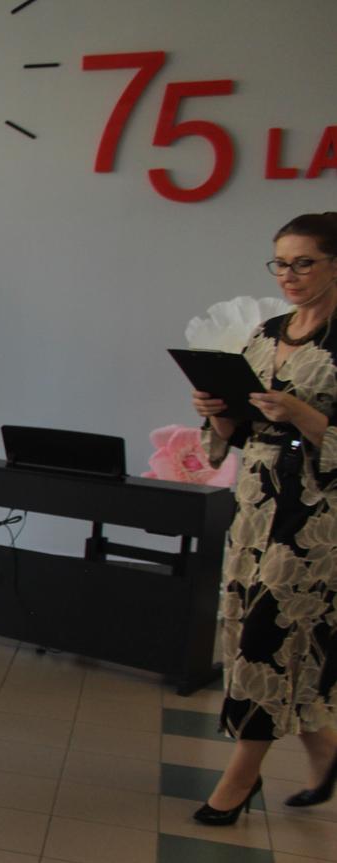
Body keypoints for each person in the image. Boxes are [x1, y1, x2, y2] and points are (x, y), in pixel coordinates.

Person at [191, 211, 337, 825]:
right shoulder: (267, 332)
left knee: (268, 637)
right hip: (257, 501)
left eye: (304, 263)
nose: (289, 275)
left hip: (317, 514)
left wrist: (302, 414)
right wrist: (216, 410)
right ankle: (325, 748)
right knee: (247, 625)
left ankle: (240, 777)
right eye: (280, 263)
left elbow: (312, 427)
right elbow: (237, 430)